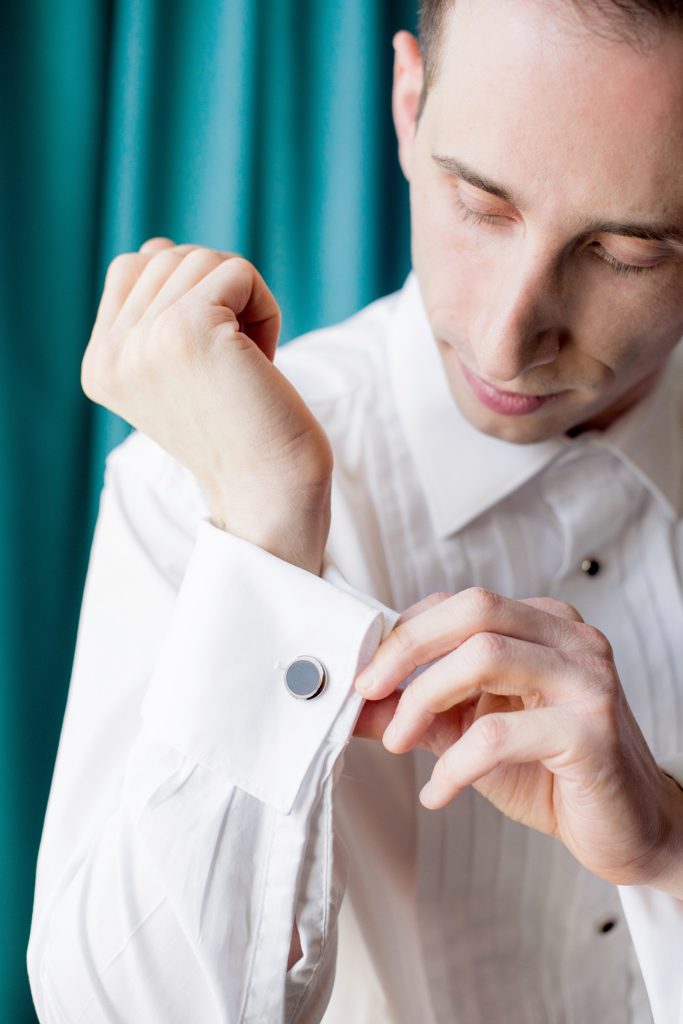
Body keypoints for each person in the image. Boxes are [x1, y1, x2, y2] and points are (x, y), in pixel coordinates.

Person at [27, 0, 683, 1020]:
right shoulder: (192, 486)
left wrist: (669, 849)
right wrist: (267, 537)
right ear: (406, 104)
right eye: (478, 202)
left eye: (625, 255)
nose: (508, 340)